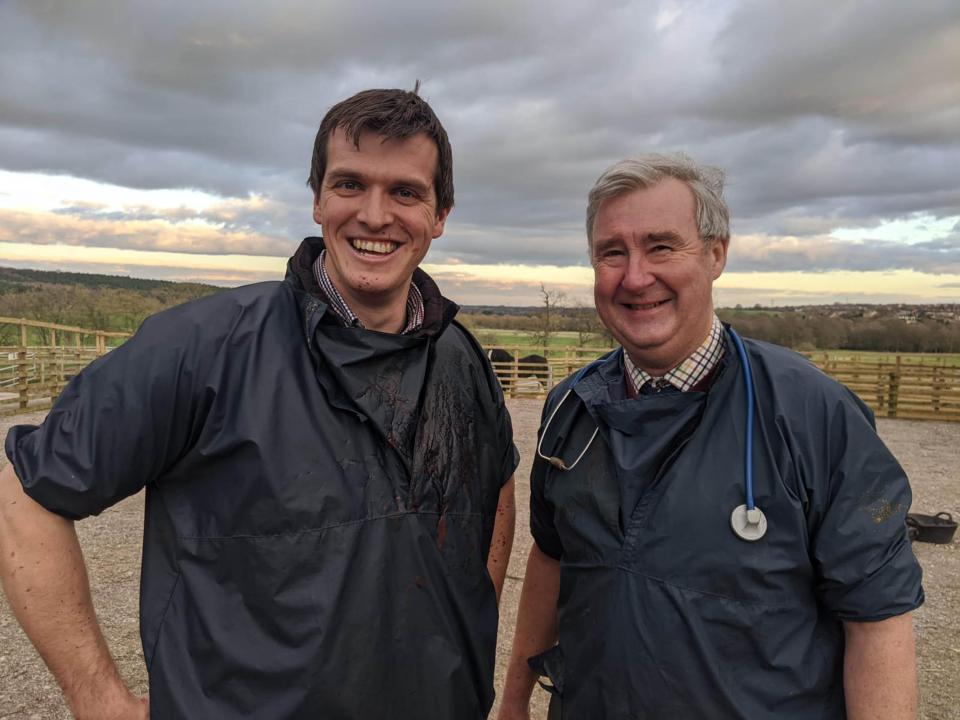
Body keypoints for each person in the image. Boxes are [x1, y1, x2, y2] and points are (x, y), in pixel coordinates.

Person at [0, 87, 518, 720]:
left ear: (441, 214)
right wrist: (98, 696)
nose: (376, 215)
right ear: (319, 198)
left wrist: (466, 632)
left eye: (406, 192)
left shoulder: (461, 359)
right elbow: (24, 495)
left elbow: (494, 491)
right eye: (350, 184)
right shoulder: (205, 347)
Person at [499, 153, 923, 720]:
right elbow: (551, 561)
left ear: (716, 253)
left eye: (662, 246)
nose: (635, 276)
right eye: (612, 253)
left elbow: (877, 619)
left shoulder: (812, 415)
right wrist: (513, 701)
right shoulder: (570, 409)